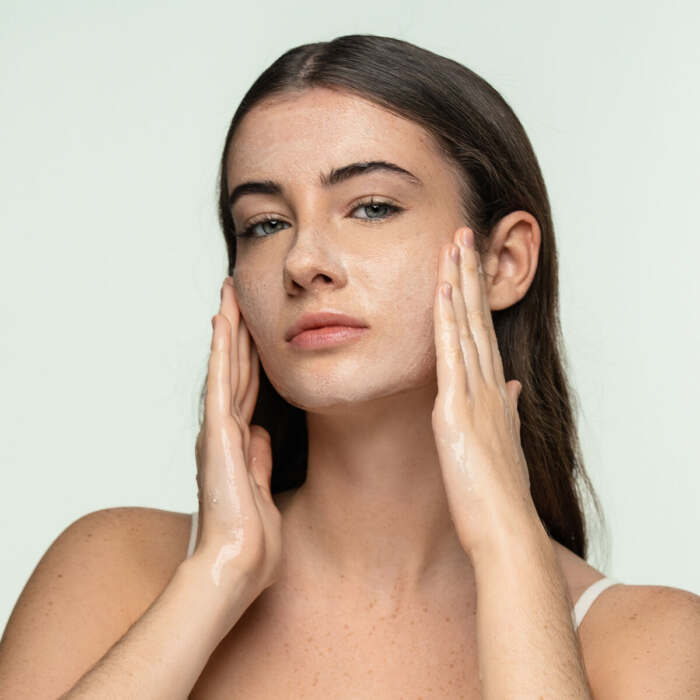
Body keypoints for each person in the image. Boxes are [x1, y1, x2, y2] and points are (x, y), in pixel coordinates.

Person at [1, 34, 698, 699]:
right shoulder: (116, 569)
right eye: (265, 224)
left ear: (504, 261)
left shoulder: (648, 643)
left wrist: (508, 543)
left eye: (371, 208)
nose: (303, 261)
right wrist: (217, 574)